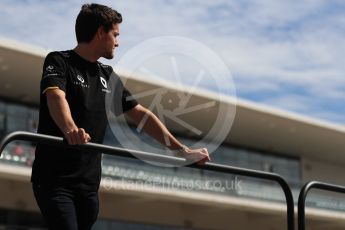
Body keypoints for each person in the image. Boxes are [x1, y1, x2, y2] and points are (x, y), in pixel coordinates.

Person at [31, 3, 210, 230]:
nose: (118, 41)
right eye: (115, 34)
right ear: (100, 32)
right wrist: (70, 129)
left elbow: (139, 114)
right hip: (54, 181)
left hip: (88, 185)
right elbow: (56, 97)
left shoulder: (107, 74)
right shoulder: (59, 61)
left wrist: (181, 151)